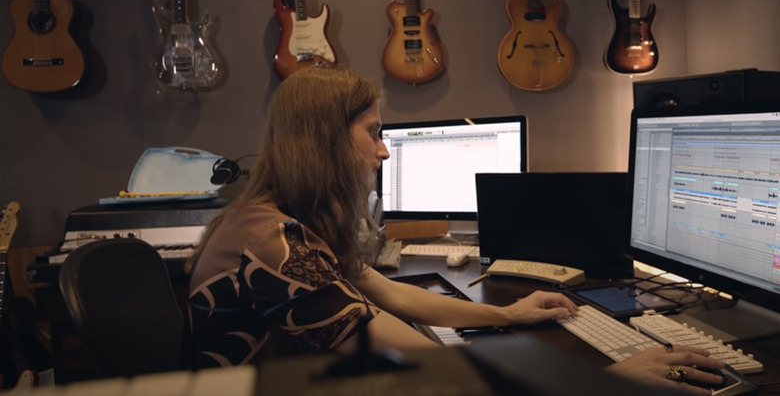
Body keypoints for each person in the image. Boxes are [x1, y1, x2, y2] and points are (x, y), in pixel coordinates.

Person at [187, 66, 724, 395]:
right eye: (373, 132)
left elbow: (384, 292)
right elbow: (409, 351)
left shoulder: (284, 223)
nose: (383, 149)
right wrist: (602, 379)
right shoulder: (273, 243)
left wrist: (505, 314)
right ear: (324, 141)